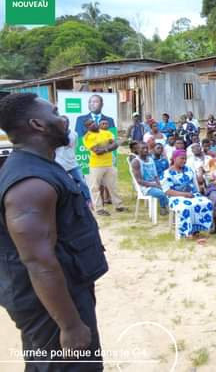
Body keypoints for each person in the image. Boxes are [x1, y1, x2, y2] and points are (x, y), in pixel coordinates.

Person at [0, 92, 108, 369]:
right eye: (56, 113)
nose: (64, 119)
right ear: (38, 124)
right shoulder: (30, 184)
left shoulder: (43, 167)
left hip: (62, 294)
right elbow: (39, 263)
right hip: (50, 307)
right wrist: (70, 325)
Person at [162, 150, 214, 240]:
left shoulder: (188, 169)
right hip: (175, 197)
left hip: (191, 194)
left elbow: (195, 184)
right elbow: (167, 191)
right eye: (182, 158)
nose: (184, 161)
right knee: (186, 207)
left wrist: (198, 193)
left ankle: (197, 230)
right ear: (174, 159)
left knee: (207, 202)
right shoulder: (167, 173)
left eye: (185, 158)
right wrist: (184, 194)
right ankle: (186, 232)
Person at [83, 118, 126, 216]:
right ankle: (99, 209)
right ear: (87, 127)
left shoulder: (106, 133)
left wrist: (106, 147)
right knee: (95, 187)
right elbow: (97, 151)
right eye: (89, 124)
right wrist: (109, 147)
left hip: (109, 164)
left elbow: (114, 145)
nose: (92, 124)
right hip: (96, 166)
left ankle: (118, 206)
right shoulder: (87, 137)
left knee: (113, 186)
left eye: (93, 122)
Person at [55, 116, 92, 206]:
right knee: (59, 184)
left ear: (68, 123)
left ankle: (88, 200)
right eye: (62, 123)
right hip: (59, 164)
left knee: (82, 182)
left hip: (72, 164)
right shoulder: (54, 135)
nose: (64, 124)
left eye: (65, 122)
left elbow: (74, 147)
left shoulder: (74, 134)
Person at [131, 142, 169, 215]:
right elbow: (139, 181)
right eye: (143, 148)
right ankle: (163, 207)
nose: (145, 150)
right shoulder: (136, 162)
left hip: (155, 183)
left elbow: (155, 175)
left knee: (171, 188)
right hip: (145, 187)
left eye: (146, 148)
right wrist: (155, 185)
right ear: (137, 150)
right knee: (161, 193)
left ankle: (169, 207)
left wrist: (158, 183)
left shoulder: (150, 160)